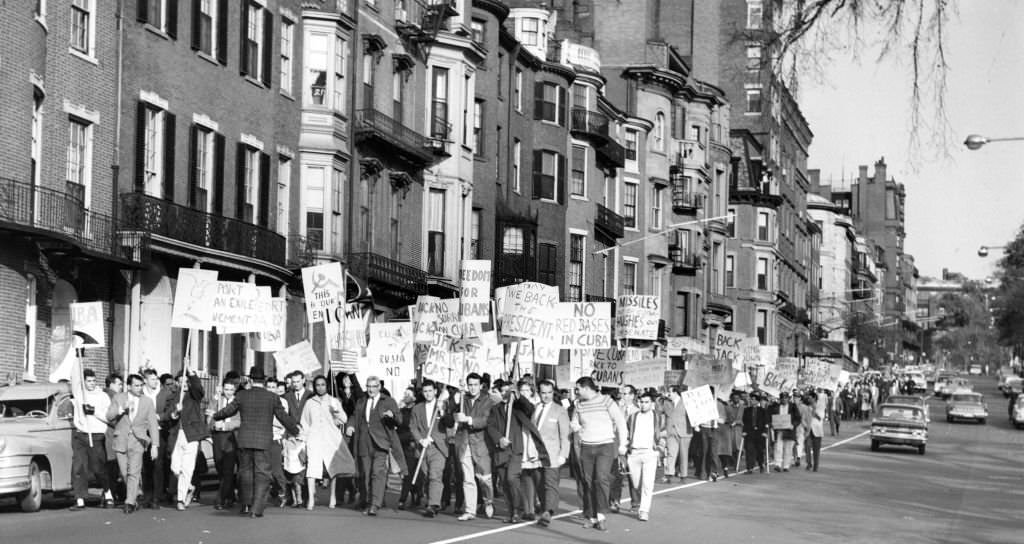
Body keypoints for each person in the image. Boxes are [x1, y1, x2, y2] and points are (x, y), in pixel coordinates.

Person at [212, 365, 299, 518]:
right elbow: (283, 416)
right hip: (263, 440)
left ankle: (245, 504)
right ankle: (256, 508)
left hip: (244, 440)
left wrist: (216, 415)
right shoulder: (272, 397)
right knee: (262, 474)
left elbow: (229, 410)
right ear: (264, 380)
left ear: (251, 379)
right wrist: (296, 429)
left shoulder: (242, 395)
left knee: (245, 473)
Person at [570, 377, 627, 532]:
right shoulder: (579, 404)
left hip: (605, 446)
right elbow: (574, 422)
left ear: (586, 388)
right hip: (587, 447)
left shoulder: (606, 401)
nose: (576, 392)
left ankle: (601, 515)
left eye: (578, 389)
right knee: (588, 482)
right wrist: (577, 428)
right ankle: (591, 516)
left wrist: (623, 444)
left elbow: (621, 422)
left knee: (601, 479)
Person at [488, 379, 548, 523]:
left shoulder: (518, 407)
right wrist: (499, 439)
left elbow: (530, 409)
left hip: (516, 450)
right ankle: (511, 511)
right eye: (503, 391)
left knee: (511, 478)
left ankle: (517, 508)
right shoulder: (495, 409)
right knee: (505, 483)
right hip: (501, 450)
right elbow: (490, 426)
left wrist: (519, 397)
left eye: (509, 391)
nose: (506, 394)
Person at [346, 375, 407, 516]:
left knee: (377, 473)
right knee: (365, 474)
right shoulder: (361, 401)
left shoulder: (388, 401)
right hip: (363, 442)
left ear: (379, 387)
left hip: (381, 443)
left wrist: (392, 415)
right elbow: (355, 416)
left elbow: (399, 420)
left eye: (374, 386)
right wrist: (350, 426)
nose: (371, 389)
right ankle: (366, 500)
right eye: (368, 386)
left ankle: (375, 504)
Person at [444, 372, 496, 521]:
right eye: (470, 385)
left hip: (481, 443)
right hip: (464, 442)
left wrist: (468, 419)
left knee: (484, 477)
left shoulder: (487, 400)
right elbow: (451, 410)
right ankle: (470, 510)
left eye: (475, 385)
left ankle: (488, 501)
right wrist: (455, 395)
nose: (472, 388)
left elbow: (485, 420)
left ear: (481, 386)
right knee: (468, 478)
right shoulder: (463, 398)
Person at [107, 374, 160, 514]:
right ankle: (136, 492)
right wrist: (121, 409)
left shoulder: (147, 402)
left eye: (141, 385)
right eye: (136, 385)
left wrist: (155, 445)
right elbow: (109, 416)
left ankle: (129, 502)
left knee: (133, 472)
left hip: (138, 440)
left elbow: (153, 424)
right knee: (124, 472)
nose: (139, 388)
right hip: (121, 439)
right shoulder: (119, 398)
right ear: (129, 386)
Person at [301, 375, 354, 510]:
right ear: (314, 386)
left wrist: (336, 411)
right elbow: (305, 422)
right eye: (317, 385)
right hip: (314, 438)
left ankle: (332, 497)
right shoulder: (309, 402)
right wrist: (304, 439)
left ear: (327, 386)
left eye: (323, 384)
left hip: (331, 438)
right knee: (312, 467)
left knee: (332, 468)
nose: (320, 387)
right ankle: (312, 499)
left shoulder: (333, 400)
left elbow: (343, 419)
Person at [524, 379, 571, 527]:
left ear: (553, 392)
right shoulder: (535, 408)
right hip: (535, 454)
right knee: (539, 483)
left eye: (549, 392)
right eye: (543, 393)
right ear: (539, 393)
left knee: (550, 484)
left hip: (552, 454)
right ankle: (545, 506)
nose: (546, 396)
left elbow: (565, 434)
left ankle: (548, 512)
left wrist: (564, 454)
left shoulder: (560, 410)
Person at [70, 368, 112, 511]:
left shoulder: (103, 396)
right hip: (81, 434)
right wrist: (77, 354)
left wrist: (94, 411)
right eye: (89, 381)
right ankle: (80, 499)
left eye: (94, 381)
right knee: (78, 467)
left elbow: (108, 417)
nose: (92, 383)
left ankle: (108, 493)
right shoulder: (78, 394)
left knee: (98, 467)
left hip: (96, 434)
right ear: (83, 382)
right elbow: (74, 375)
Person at [410, 380, 453, 518]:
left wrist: (442, 411)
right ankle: (432, 499)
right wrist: (420, 439)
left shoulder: (443, 405)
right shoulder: (417, 408)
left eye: (430, 391)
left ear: (435, 391)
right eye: (425, 391)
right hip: (423, 446)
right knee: (427, 475)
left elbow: (449, 423)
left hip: (438, 446)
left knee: (435, 474)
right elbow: (413, 426)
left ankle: (433, 505)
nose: (428, 394)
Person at [626, 391, 664, 521]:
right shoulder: (632, 417)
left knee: (648, 484)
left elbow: (663, 433)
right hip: (634, 453)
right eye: (641, 402)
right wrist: (625, 449)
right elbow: (626, 434)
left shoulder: (658, 417)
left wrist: (659, 449)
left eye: (646, 402)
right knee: (636, 484)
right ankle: (637, 503)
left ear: (652, 404)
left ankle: (644, 510)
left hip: (649, 453)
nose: (643, 405)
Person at [208, 378, 240, 510]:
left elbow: (239, 421)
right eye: (226, 389)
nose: (228, 392)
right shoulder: (217, 400)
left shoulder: (238, 402)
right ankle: (230, 495)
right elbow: (209, 415)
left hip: (230, 437)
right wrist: (215, 398)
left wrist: (225, 425)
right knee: (219, 466)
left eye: (231, 390)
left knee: (227, 469)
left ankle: (220, 499)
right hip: (217, 437)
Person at [140, 368, 169, 509]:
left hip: (159, 431)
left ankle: (157, 497)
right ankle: (147, 495)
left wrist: (160, 417)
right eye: (152, 379)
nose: (155, 381)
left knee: (158, 465)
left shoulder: (164, 393)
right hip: (143, 433)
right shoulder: (140, 394)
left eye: (156, 379)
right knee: (146, 465)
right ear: (145, 380)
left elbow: (169, 411)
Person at [659, 385, 693, 483]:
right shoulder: (666, 402)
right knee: (671, 453)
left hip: (684, 431)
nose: (668, 394)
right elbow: (659, 411)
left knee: (683, 455)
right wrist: (660, 398)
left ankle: (683, 476)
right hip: (671, 432)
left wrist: (696, 425)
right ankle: (669, 474)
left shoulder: (686, 401)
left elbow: (693, 415)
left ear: (675, 393)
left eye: (670, 392)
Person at [103, 374, 125, 505]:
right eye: (119, 384)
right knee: (112, 466)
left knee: (112, 467)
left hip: (110, 434)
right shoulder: (112, 397)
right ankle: (110, 494)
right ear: (111, 384)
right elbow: (111, 416)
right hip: (112, 434)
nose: (121, 387)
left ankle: (111, 493)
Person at [769, 392, 802, 472]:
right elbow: (771, 417)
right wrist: (772, 424)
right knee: (778, 447)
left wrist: (793, 425)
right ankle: (778, 464)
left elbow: (798, 418)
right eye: (782, 398)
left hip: (789, 430)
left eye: (786, 398)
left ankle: (786, 465)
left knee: (788, 448)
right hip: (779, 430)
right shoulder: (775, 407)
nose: (784, 399)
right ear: (780, 399)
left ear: (788, 398)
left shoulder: (793, 407)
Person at [741, 393, 770, 473]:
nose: (752, 401)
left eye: (754, 399)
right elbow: (745, 422)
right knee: (749, 449)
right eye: (751, 399)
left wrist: (765, 432)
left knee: (759, 450)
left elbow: (766, 422)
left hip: (760, 432)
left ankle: (761, 464)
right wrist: (744, 431)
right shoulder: (747, 410)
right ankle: (749, 467)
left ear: (757, 401)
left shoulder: (763, 411)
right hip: (750, 432)